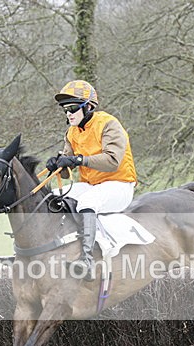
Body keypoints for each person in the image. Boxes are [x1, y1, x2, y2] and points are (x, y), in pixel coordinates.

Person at [45, 80, 137, 279]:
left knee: (88, 202)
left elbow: (112, 161)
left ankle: (87, 261)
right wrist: (58, 164)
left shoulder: (109, 124)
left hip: (119, 184)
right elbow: (67, 172)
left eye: (72, 108)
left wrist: (78, 160)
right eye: (65, 109)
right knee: (52, 197)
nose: (68, 113)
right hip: (91, 185)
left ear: (88, 107)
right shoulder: (72, 131)